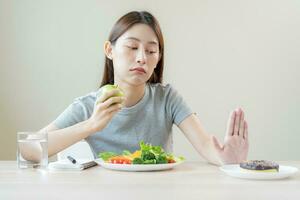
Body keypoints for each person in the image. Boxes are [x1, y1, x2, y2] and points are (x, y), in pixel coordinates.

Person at [37, 11, 249, 165]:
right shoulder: (89, 106)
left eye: (150, 51)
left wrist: (225, 159)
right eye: (132, 47)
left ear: (158, 58)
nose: (141, 58)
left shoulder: (167, 98)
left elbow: (204, 145)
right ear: (109, 50)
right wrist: (91, 125)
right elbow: (30, 149)